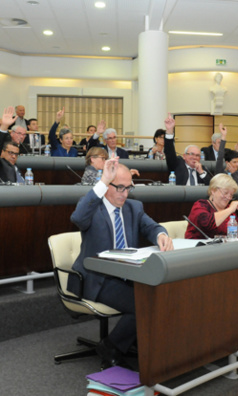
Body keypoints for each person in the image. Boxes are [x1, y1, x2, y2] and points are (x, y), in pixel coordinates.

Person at [69, 158, 173, 369]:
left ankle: (133, 338)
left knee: (160, 293)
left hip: (128, 274)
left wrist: (161, 235)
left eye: (128, 188)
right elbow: (78, 218)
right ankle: (111, 347)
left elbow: (151, 227)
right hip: (98, 278)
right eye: (120, 188)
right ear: (107, 185)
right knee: (142, 303)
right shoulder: (92, 207)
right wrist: (103, 181)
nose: (125, 194)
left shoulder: (134, 207)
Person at [185, 173, 238, 239]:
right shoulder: (200, 206)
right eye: (225, 193)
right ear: (213, 191)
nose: (228, 198)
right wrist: (230, 209)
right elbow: (208, 224)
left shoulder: (230, 211)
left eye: (231, 195)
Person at [164, 114, 211, 186]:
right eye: (191, 154)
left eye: (197, 155)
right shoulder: (177, 164)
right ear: (184, 156)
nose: (194, 157)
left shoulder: (202, 168)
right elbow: (169, 152)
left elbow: (211, 186)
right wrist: (169, 131)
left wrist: (201, 172)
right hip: (180, 193)